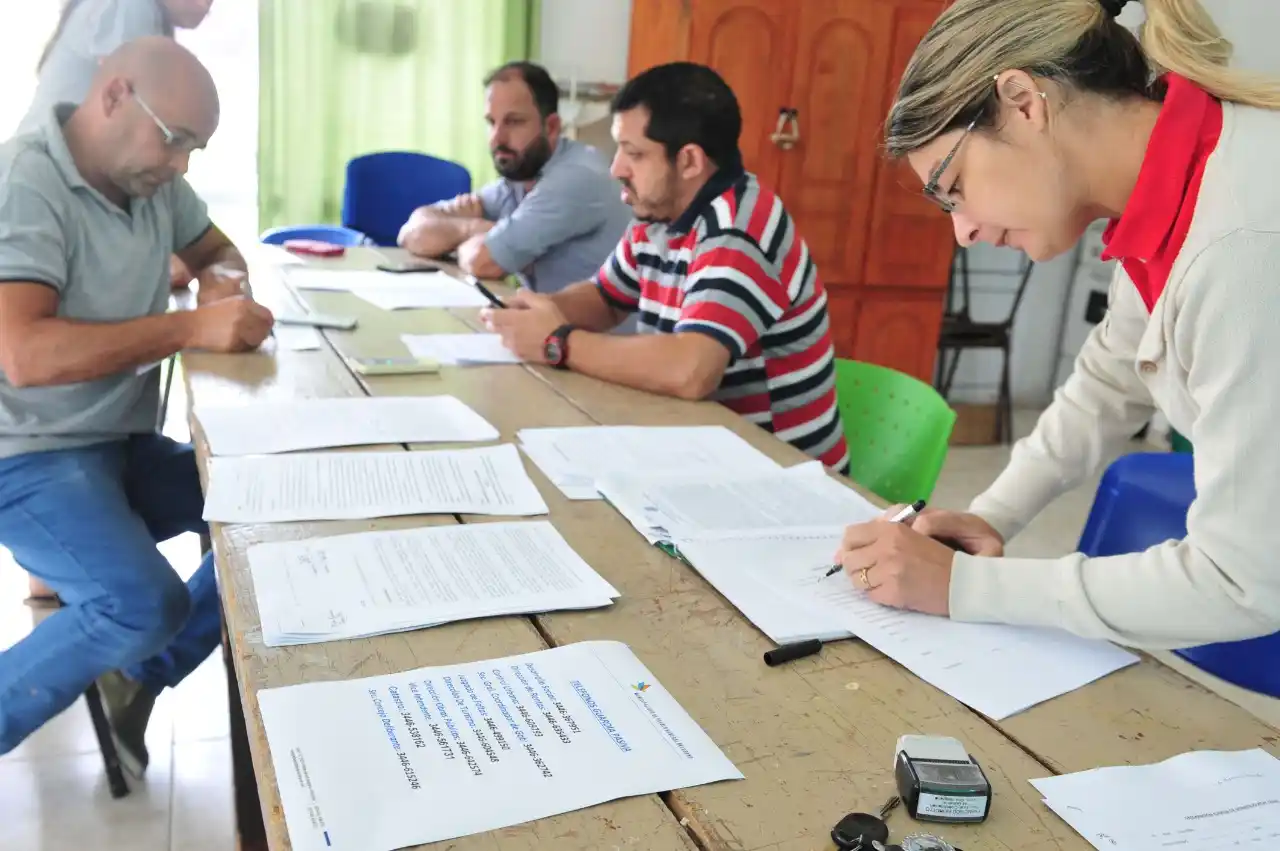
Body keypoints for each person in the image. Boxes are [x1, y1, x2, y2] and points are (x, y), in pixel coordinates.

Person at [833, 0, 1280, 649]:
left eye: (954, 187)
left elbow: (1242, 579)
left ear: (1023, 103)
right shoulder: (1176, 185)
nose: (964, 233)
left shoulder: (1242, 244)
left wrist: (963, 587)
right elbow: (1109, 380)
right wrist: (991, 516)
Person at [0, 36, 274, 773]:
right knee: (142, 604)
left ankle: (143, 672)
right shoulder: (24, 182)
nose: (182, 164)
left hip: (116, 443)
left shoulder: (150, 180)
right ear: (114, 95)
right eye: (174, 138)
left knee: (274, 512)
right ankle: (132, 652)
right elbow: (24, 353)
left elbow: (219, 252)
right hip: (26, 454)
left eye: (195, 149)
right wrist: (189, 327)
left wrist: (222, 284)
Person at [483, 62, 850, 474]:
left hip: (781, 475)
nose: (616, 168)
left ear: (689, 161)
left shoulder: (740, 227)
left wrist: (557, 342)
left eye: (634, 153)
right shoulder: (659, 210)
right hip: (700, 451)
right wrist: (538, 312)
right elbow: (606, 298)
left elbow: (690, 370)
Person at [397, 61, 631, 295]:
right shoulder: (518, 179)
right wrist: (473, 228)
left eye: (513, 122)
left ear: (551, 127)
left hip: (595, 321)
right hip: (548, 316)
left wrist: (465, 233)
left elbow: (481, 261)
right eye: (491, 122)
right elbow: (412, 233)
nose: (497, 138)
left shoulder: (577, 178)